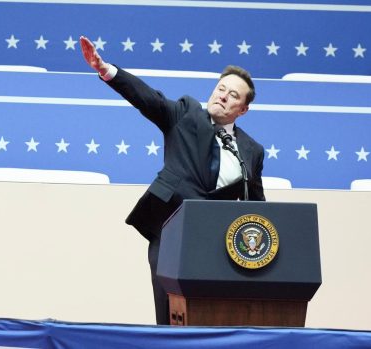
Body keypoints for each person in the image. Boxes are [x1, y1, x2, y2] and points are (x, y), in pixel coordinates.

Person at [79, 36, 266, 325]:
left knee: (210, 316)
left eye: (233, 95)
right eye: (221, 89)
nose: (223, 96)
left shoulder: (251, 151)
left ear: (243, 110)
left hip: (217, 242)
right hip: (171, 229)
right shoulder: (186, 113)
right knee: (170, 315)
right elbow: (148, 99)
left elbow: (257, 206)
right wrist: (106, 70)